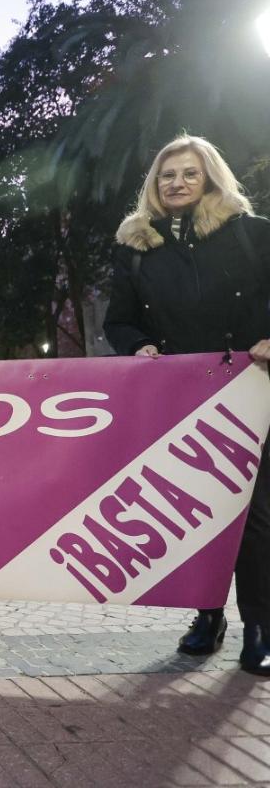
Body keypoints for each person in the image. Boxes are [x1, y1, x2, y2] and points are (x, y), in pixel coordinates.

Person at [104, 134, 270, 675]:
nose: (176, 183)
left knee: (257, 517)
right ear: (154, 184)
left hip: (253, 392)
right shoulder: (134, 247)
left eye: (189, 173)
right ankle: (207, 616)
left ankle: (262, 628)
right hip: (181, 400)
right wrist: (137, 346)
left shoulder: (251, 234)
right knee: (196, 515)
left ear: (211, 178)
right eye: (166, 175)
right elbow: (119, 321)